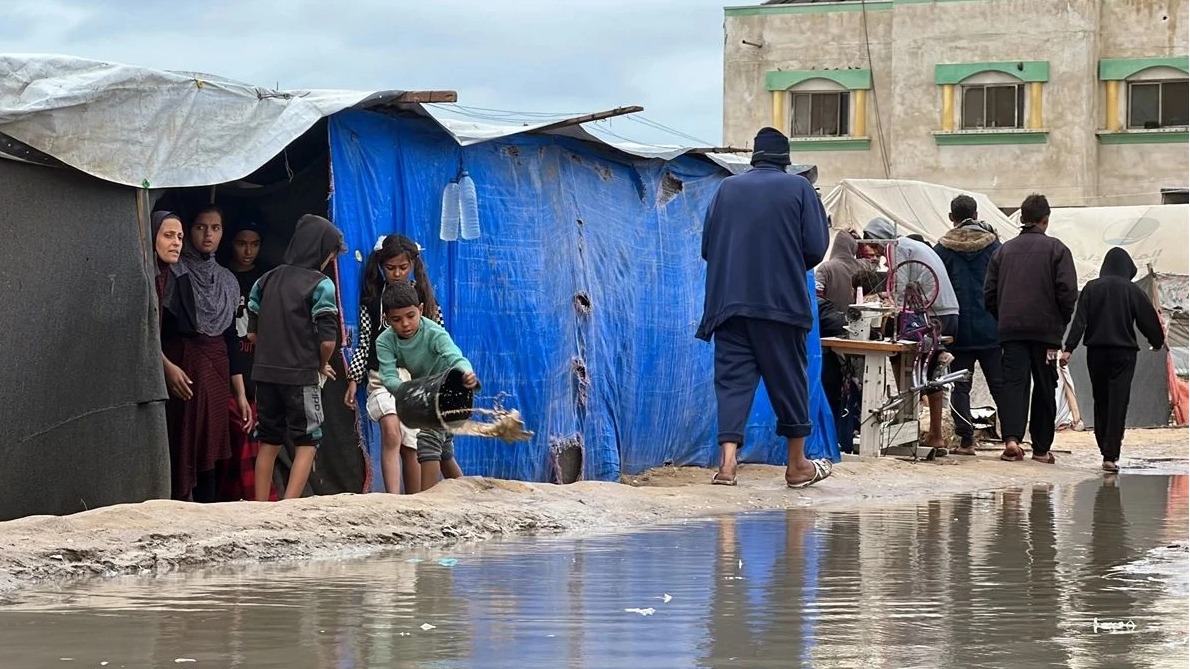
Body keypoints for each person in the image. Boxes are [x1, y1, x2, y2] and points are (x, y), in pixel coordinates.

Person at [696, 126, 833, 489]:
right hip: (781, 304)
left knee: (732, 383)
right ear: (785, 160)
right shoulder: (800, 189)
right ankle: (797, 465)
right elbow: (816, 248)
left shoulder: (726, 189)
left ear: (753, 158)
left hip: (728, 305)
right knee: (789, 380)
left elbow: (707, 247)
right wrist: (785, 261)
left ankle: (727, 465)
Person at [248, 214, 346, 501]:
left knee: (269, 440)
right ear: (323, 252)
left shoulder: (265, 279)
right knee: (307, 441)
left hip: (264, 374)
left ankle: (259, 504)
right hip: (300, 375)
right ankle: (289, 506)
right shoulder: (321, 285)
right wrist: (320, 363)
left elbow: (252, 335)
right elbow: (327, 340)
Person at [346, 234, 449, 495]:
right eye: (391, 268)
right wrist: (353, 377)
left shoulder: (425, 298)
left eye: (403, 267)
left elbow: (440, 341)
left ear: (413, 264)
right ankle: (392, 499)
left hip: (417, 380)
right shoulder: (372, 301)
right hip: (382, 376)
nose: (397, 273)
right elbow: (365, 342)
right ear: (381, 267)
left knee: (412, 443)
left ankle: (414, 501)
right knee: (391, 431)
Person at [984, 194, 1078, 464]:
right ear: (1045, 219)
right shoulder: (1057, 249)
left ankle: (1012, 440)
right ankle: (1040, 448)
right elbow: (1068, 292)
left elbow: (989, 293)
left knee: (1014, 384)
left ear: (1022, 219)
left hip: (1011, 331)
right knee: (1045, 385)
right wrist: (1059, 321)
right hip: (1046, 334)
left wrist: (1003, 317)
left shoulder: (1002, 252)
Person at [160, 206, 241, 502]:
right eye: (200, 227)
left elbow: (230, 336)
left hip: (217, 369)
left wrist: (240, 392)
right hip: (182, 367)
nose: (208, 235)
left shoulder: (227, 281)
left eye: (215, 228)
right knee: (184, 440)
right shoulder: (172, 273)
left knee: (211, 444)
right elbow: (157, 328)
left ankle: (208, 507)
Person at [862, 217, 960, 452]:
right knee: (929, 372)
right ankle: (922, 430)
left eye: (875, 248)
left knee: (911, 362)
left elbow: (898, 288)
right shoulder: (913, 245)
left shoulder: (896, 247)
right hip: (945, 312)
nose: (881, 256)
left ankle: (924, 432)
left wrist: (884, 305)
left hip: (934, 314)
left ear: (878, 240)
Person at [1062, 248, 1164, 472]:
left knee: (1101, 399)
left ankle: (1103, 446)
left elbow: (1080, 321)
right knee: (1118, 401)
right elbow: (1148, 320)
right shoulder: (1132, 290)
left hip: (1096, 353)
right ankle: (1111, 454)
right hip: (1123, 354)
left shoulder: (1091, 288)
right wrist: (1156, 342)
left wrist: (1069, 348)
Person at [376, 282, 479, 492]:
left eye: (410, 316)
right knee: (444, 453)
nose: (405, 323)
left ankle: (427, 499)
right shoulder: (384, 341)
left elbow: (455, 357)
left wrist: (466, 373)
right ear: (386, 319)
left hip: (452, 393)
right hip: (423, 395)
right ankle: (470, 495)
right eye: (396, 319)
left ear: (421, 310)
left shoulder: (434, 333)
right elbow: (388, 376)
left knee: (428, 440)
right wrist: (410, 392)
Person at [934, 194, 1003, 456]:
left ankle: (966, 442)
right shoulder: (995, 246)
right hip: (992, 328)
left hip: (958, 330)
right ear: (976, 214)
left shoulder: (942, 249)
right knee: (1000, 385)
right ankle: (1011, 439)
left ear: (952, 217)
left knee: (960, 386)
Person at [220, 220, 277, 501]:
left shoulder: (266, 279)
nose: (248, 251)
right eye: (242, 243)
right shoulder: (222, 276)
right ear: (231, 243)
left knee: (255, 436)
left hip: (258, 371)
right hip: (228, 368)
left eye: (254, 244)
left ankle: (256, 497)